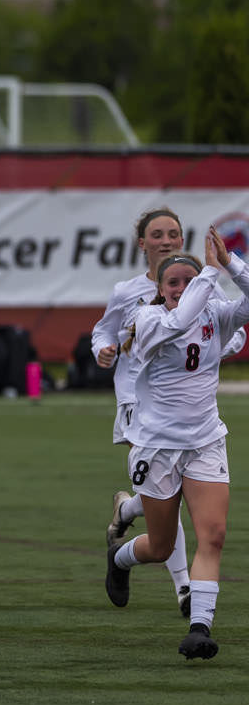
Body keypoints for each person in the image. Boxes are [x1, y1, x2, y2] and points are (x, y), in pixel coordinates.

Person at [105, 228, 249, 660]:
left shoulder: (217, 313)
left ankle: (199, 627)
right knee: (161, 546)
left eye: (189, 281)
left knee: (214, 535)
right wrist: (207, 272)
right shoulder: (148, 321)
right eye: (174, 282)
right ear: (161, 289)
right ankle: (120, 558)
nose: (183, 288)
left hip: (205, 440)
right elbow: (182, 318)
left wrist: (231, 264)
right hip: (157, 447)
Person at [94, 208, 201, 616]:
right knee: (167, 489)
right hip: (139, 404)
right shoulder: (127, 292)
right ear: (142, 243)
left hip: (184, 403)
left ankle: (126, 510)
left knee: (164, 491)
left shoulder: (198, 284)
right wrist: (102, 350)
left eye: (173, 233)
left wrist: (216, 346)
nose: (166, 240)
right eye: (156, 234)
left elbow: (232, 328)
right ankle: (185, 589)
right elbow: (103, 330)